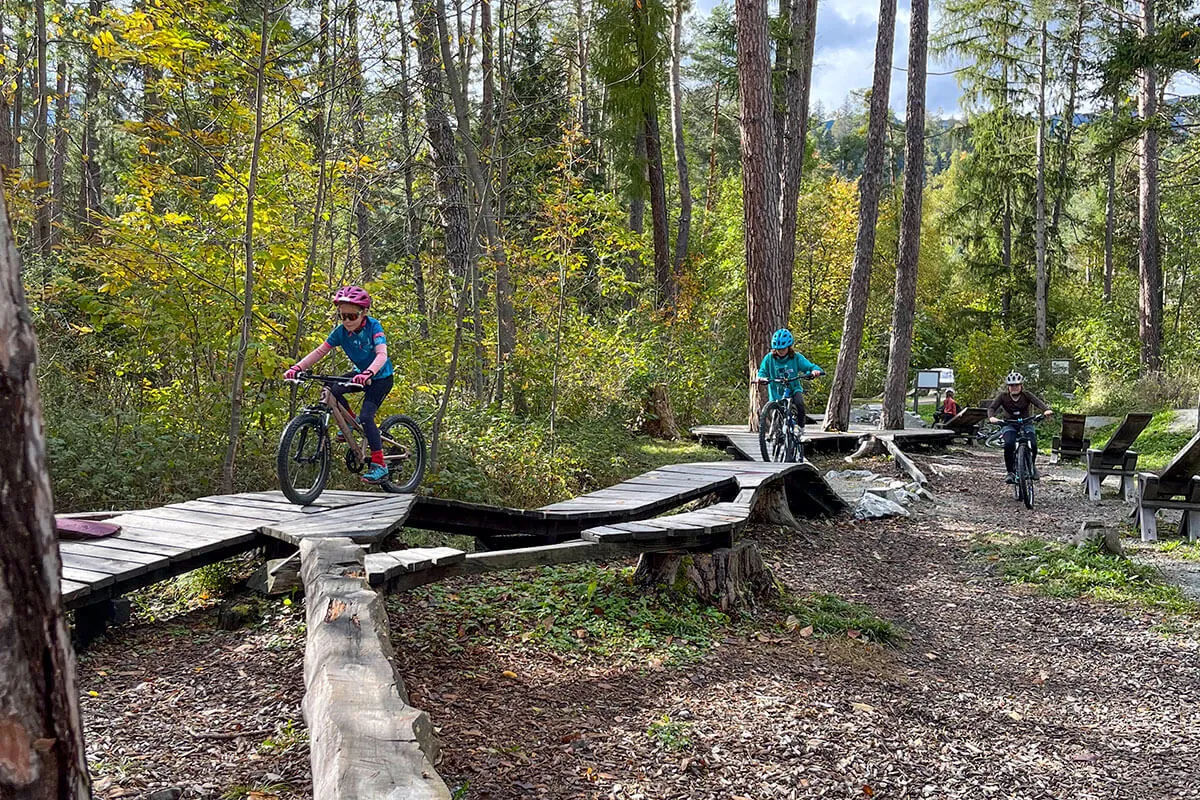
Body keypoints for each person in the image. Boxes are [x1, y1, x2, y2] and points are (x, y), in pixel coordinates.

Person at [284, 286, 394, 483]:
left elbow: (382, 355)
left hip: (380, 378)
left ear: (364, 313)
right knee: (331, 390)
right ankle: (350, 423)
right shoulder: (341, 332)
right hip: (361, 374)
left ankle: (380, 464)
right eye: (342, 316)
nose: (346, 321)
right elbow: (320, 351)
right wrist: (297, 368)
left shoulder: (374, 327)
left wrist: (370, 371)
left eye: (352, 316)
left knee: (367, 416)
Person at [987, 371, 1053, 484]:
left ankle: (1031, 466)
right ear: (1008, 387)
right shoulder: (1003, 397)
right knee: (1009, 444)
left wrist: (1046, 410)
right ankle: (1010, 472)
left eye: (1017, 385)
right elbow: (992, 408)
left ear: (1021, 385)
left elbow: (1038, 403)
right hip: (1009, 424)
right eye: (1012, 385)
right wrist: (991, 417)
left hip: (1026, 423)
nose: (1014, 388)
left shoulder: (1026, 395)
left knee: (1033, 443)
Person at [753, 328, 824, 423]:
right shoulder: (769, 358)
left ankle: (800, 427)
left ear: (788, 347)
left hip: (793, 389)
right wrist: (760, 378)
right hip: (776, 392)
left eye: (783, 349)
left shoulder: (795, 357)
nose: (781, 351)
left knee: (799, 404)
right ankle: (774, 432)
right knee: (774, 413)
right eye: (778, 349)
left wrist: (815, 371)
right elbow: (762, 371)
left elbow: (809, 366)